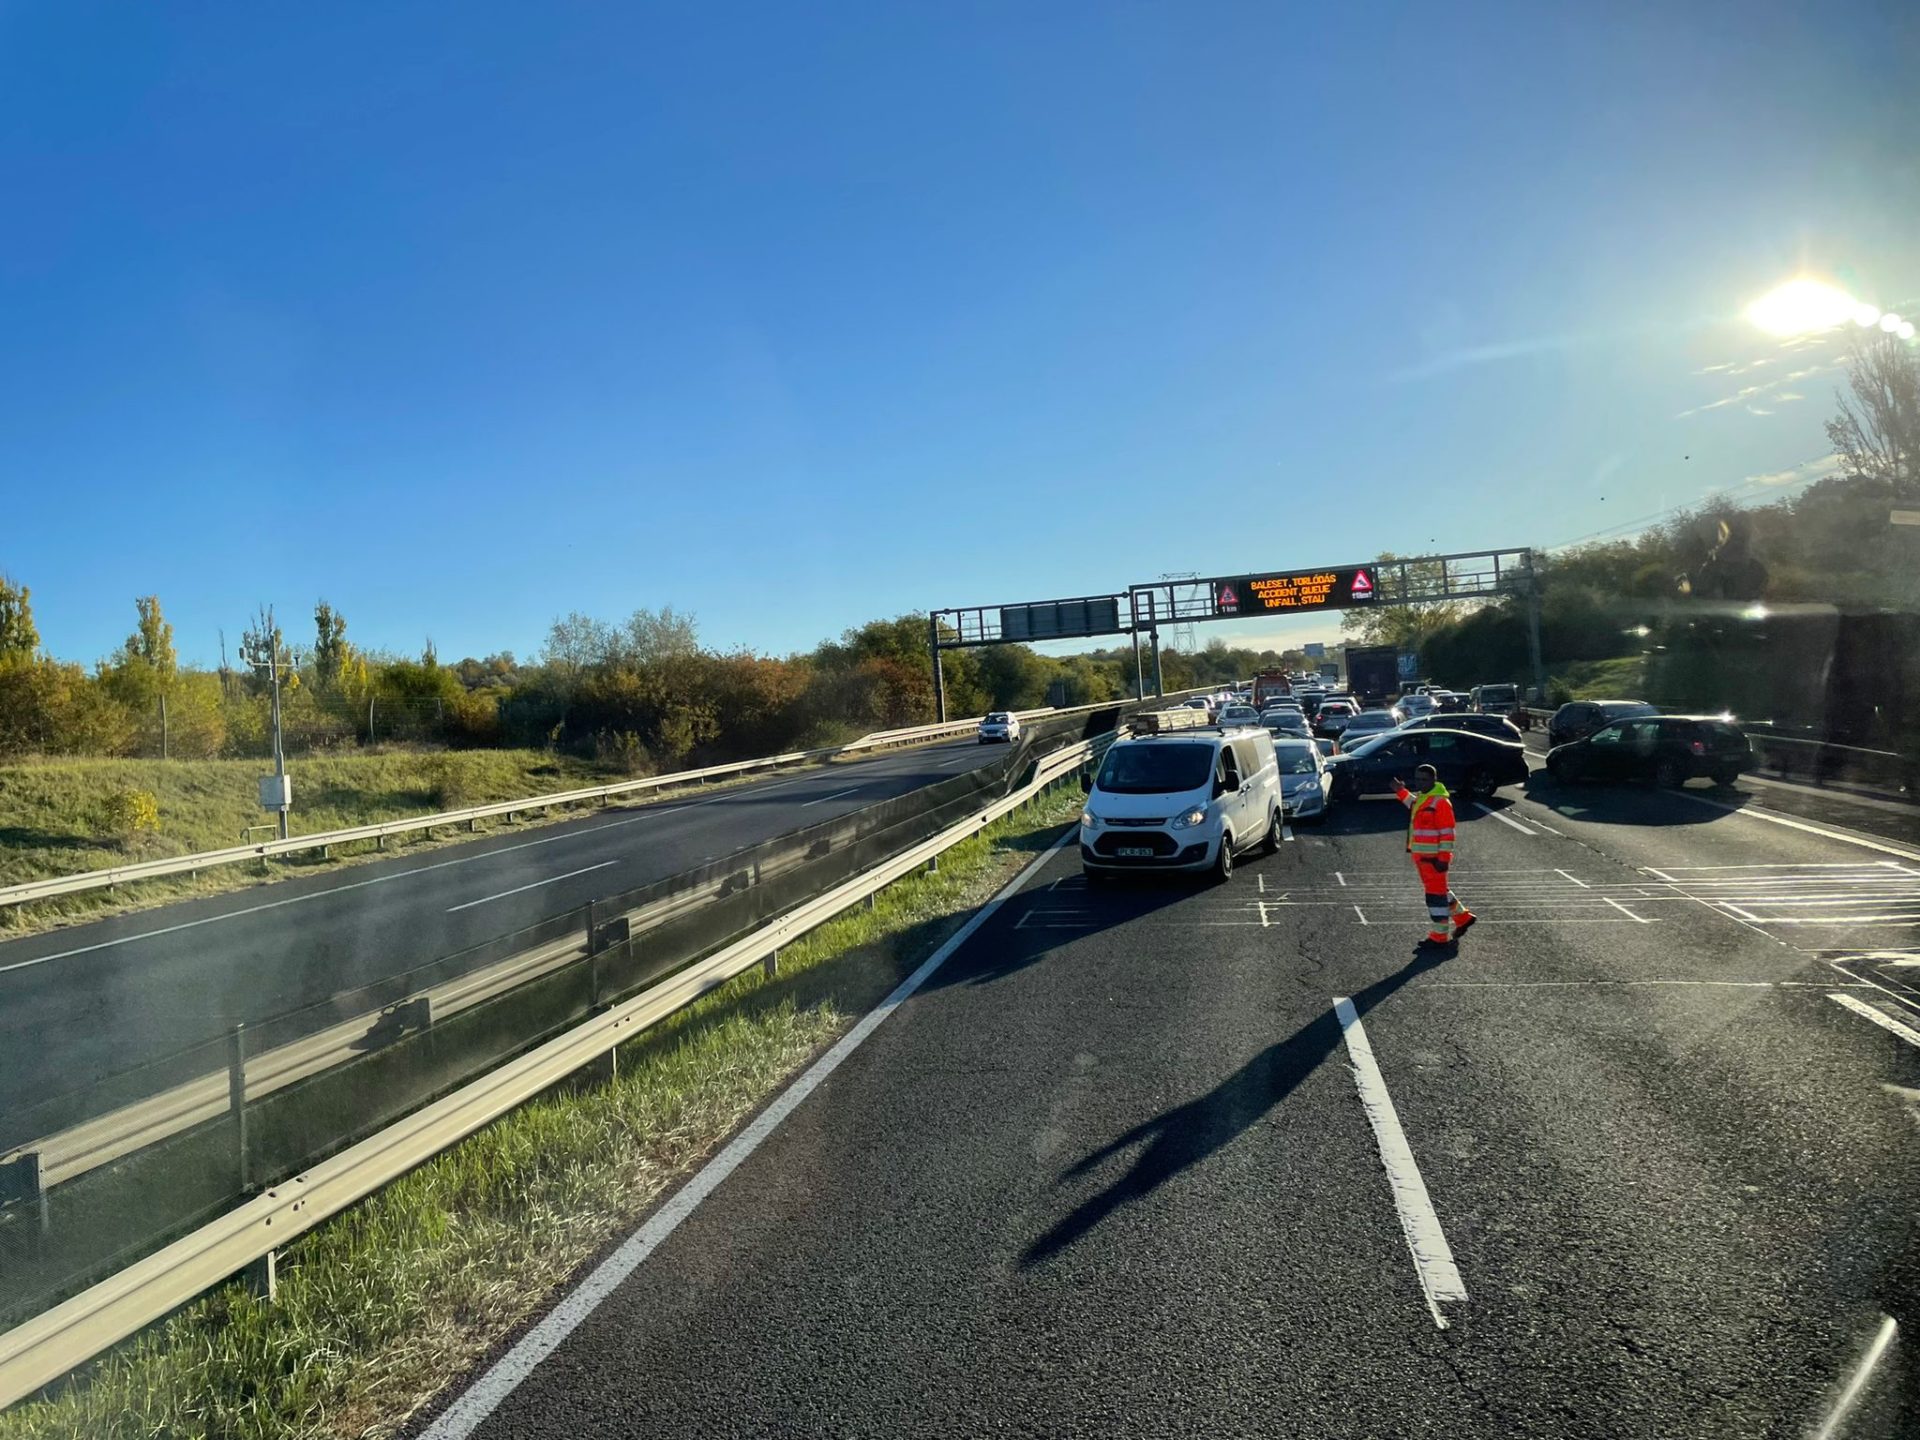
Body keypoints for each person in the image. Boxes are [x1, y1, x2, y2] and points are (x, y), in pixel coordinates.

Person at [1394, 763, 1476, 945]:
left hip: (1434, 860)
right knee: (1440, 891)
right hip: (1422, 858)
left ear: (1434, 780)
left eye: (1424, 779)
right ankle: (1463, 918)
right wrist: (1400, 791)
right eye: (1417, 779)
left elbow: (1448, 834)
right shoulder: (1424, 798)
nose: (1420, 783)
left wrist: (1443, 859)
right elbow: (1413, 804)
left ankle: (1439, 937)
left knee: (1435, 897)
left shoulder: (1440, 802)